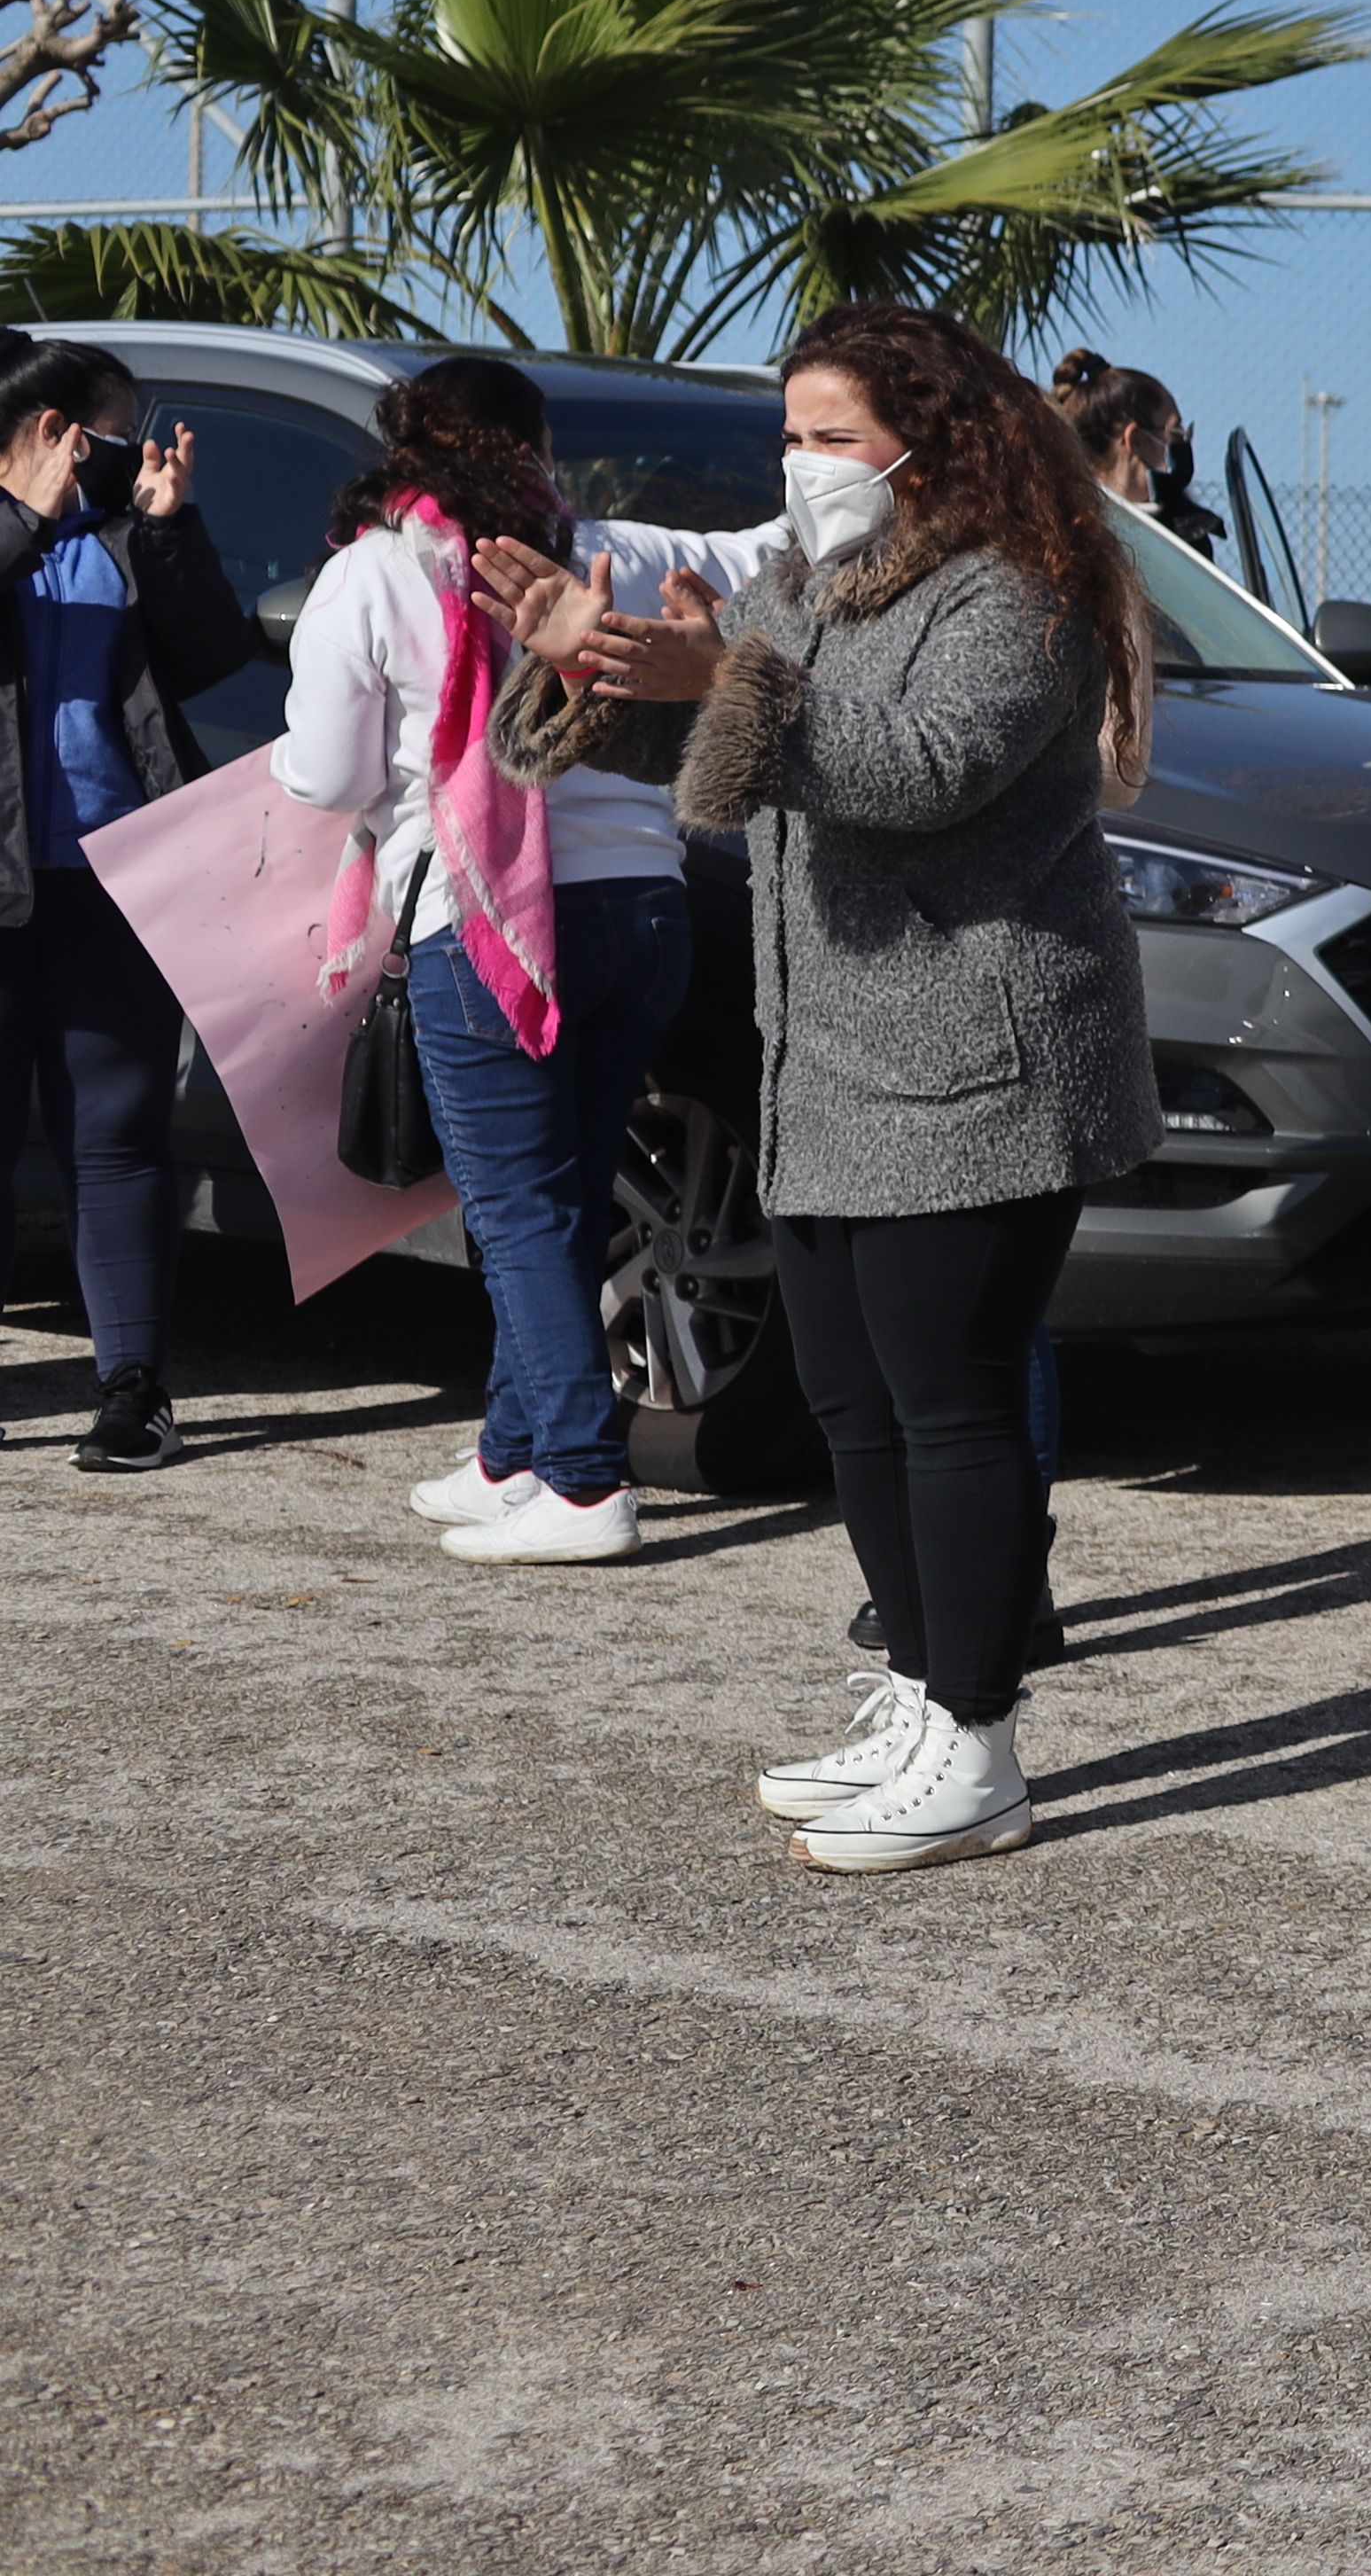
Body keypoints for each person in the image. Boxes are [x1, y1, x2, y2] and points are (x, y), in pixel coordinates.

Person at [495, 302, 1162, 1875]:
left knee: (952, 1402)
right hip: (830, 1056)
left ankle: (983, 1741)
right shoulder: (805, 582)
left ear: (938, 442)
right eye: (792, 436)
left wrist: (723, 672)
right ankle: (926, 1693)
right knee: (856, 1403)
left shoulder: (1024, 592)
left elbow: (914, 765)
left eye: (835, 438)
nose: (804, 467)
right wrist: (595, 670)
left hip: (981, 1059)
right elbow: (728, 757)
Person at [288, 359, 771, 1564]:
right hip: (645, 916)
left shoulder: (372, 571)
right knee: (564, 1182)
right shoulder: (612, 545)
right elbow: (765, 556)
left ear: (402, 450)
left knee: (515, 1207)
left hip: (488, 924)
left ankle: (579, 1478)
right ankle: (512, 1448)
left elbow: (329, 775)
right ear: (538, 447)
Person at [0, 342, 257, 1473]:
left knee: (116, 1136)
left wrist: (164, 526)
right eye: (116, 434)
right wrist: (20, 518)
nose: (131, 451)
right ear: (60, 429)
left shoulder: (118, 539)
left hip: (116, 879)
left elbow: (211, 656)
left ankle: (132, 1391)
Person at [1048, 350, 1229, 561]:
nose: (1183, 443)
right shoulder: (1077, 547)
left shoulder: (1183, 535)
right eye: (1175, 432)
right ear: (1136, 440)